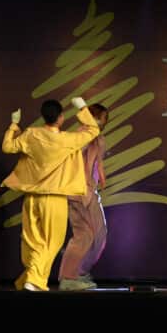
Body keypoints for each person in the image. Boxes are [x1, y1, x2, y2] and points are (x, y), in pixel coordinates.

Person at [1, 98, 101, 291]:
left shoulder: (31, 134)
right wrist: (82, 107)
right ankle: (33, 280)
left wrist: (14, 124)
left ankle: (30, 279)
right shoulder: (66, 140)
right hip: (53, 198)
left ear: (44, 117)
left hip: (32, 198)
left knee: (33, 241)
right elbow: (93, 130)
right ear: (61, 118)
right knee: (52, 242)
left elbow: (7, 147)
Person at [58, 103, 109, 291]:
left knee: (97, 235)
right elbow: (76, 154)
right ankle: (69, 276)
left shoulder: (97, 137)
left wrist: (101, 176)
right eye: (102, 118)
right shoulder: (82, 136)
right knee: (83, 235)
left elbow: (97, 161)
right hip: (79, 192)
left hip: (89, 191)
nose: (104, 122)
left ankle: (78, 272)